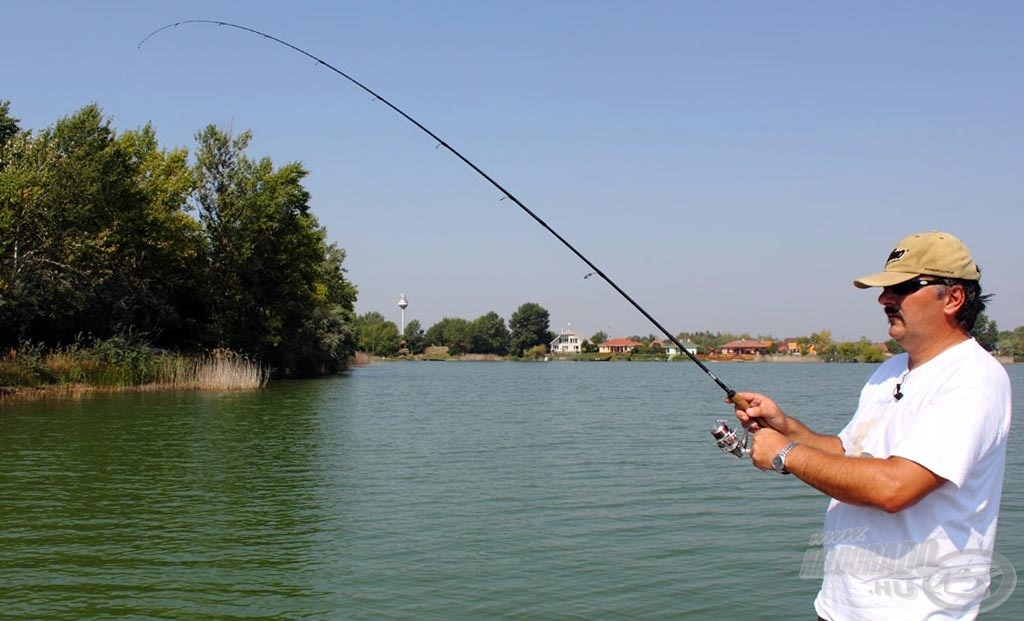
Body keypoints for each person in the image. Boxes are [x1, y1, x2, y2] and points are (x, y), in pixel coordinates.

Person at [732, 231, 1012, 620]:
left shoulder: (973, 379)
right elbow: (849, 452)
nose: (884, 299)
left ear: (952, 298)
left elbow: (895, 488)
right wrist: (786, 427)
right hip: (841, 607)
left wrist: (784, 453)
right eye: (884, 289)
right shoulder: (890, 370)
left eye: (902, 287)